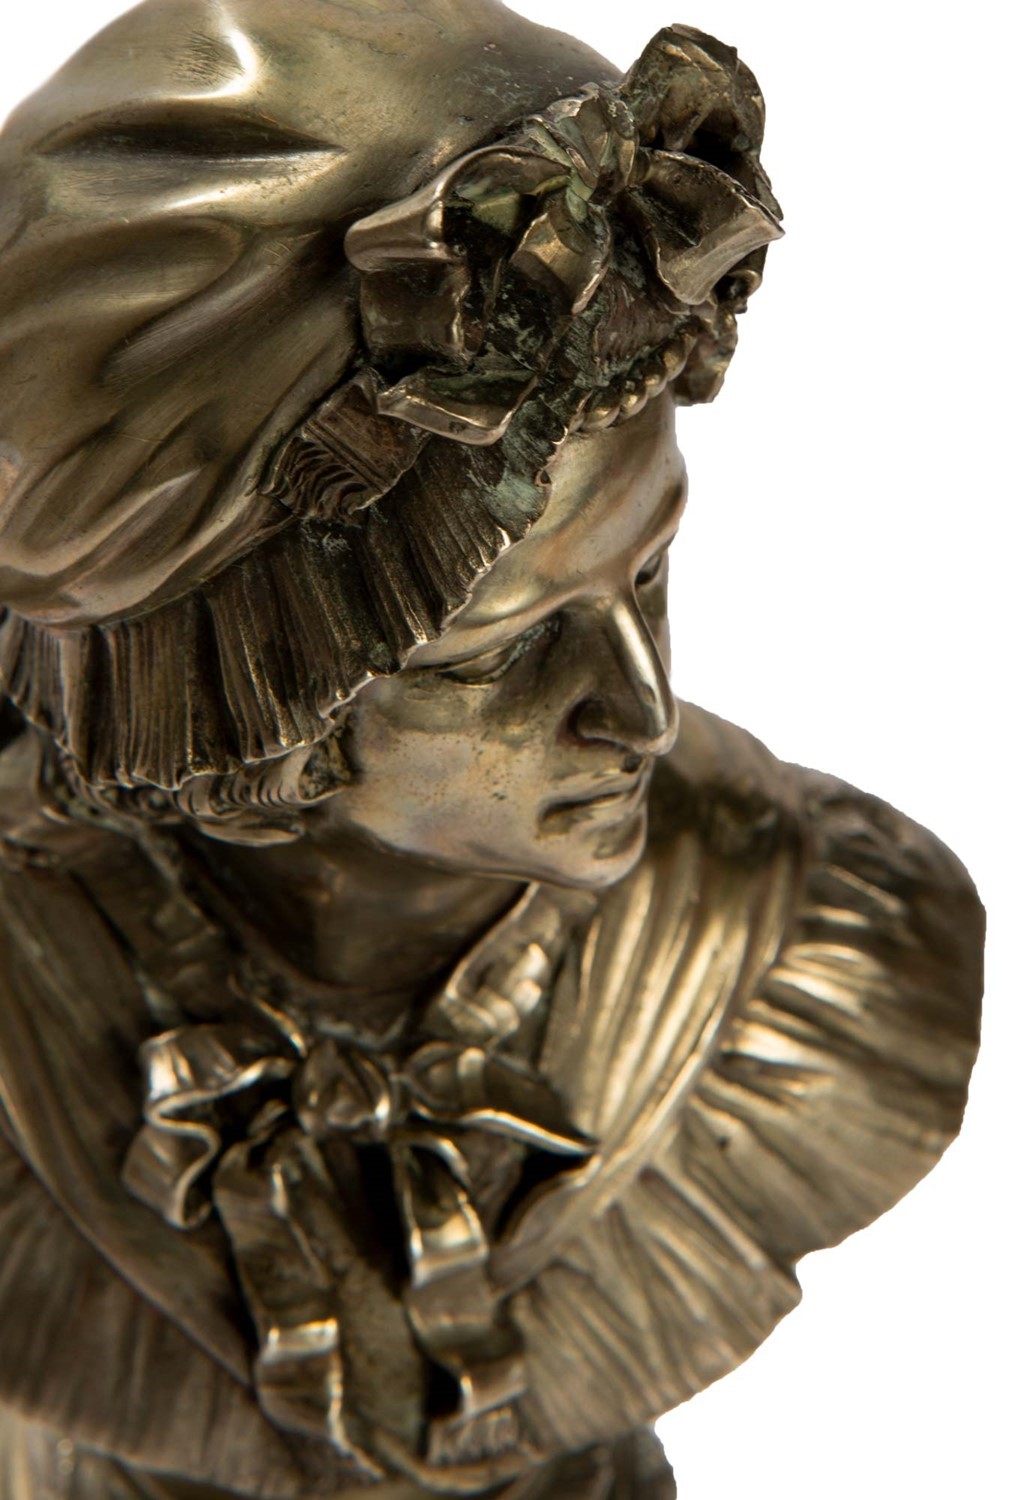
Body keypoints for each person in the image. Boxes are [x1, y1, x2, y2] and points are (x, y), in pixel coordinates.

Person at [0, 2, 982, 1497]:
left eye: (651, 569)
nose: (643, 711)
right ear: (239, 703)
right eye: (498, 654)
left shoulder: (804, 950)